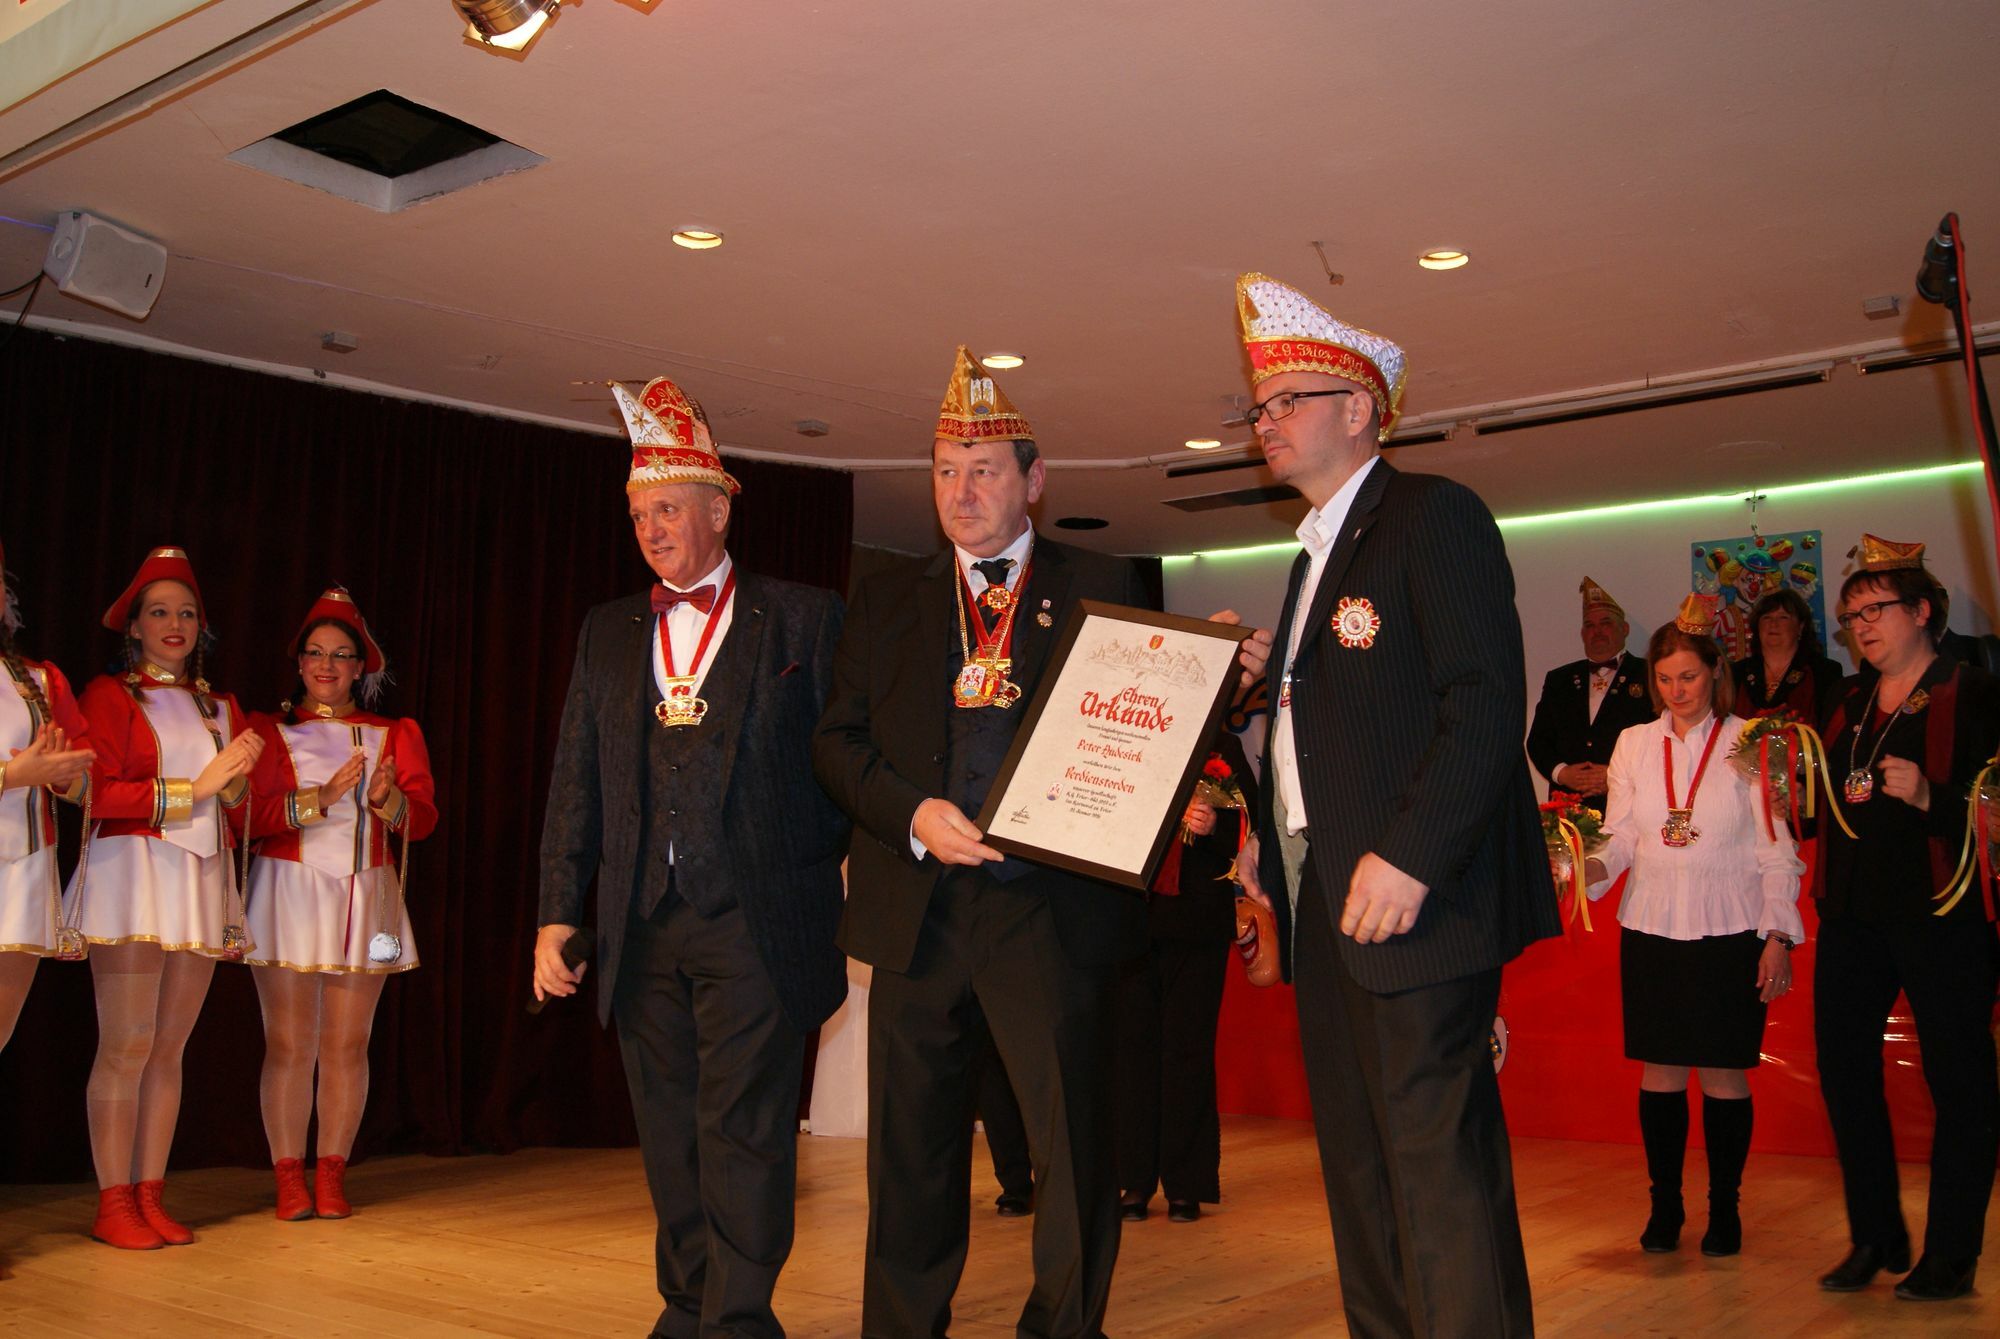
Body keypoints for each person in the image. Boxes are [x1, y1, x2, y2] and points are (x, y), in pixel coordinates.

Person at [812, 346, 1249, 1339]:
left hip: (1048, 913)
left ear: (1033, 479)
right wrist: (911, 814)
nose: (960, 492)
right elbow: (835, 744)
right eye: (943, 471)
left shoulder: (1102, 587)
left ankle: (1064, 1326)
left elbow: (1147, 740)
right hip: (918, 911)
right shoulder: (885, 600)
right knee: (910, 1153)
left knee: (1071, 1145)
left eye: (982, 470)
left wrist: (1213, 676)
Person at [1230, 273, 1558, 1338]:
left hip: (1418, 899)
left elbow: (1484, 701)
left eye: (1288, 400)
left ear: (1360, 409)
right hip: (1326, 897)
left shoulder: (1431, 515)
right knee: (1360, 1168)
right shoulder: (1312, 557)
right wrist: (1268, 825)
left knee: (1436, 1172)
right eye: (1259, 406)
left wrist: (1411, 854)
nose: (1265, 421)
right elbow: (1330, 728)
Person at [534, 376, 848, 1339]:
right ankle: (687, 1305)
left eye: (668, 509)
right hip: (640, 918)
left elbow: (845, 759)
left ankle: (740, 1316)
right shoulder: (609, 629)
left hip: (755, 916)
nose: (651, 529)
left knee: (743, 1124)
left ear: (719, 510)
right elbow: (576, 777)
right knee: (668, 1125)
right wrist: (557, 911)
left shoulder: (803, 618)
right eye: (639, 514)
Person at [1584, 592, 1804, 1258]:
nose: (1676, 691)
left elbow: (1776, 847)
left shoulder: (1752, 741)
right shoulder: (1633, 743)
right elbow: (1621, 836)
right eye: (1664, 679)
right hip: (1652, 926)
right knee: (1660, 1073)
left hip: (1730, 929)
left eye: (1688, 676)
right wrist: (1583, 867)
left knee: (1724, 1076)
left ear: (1714, 673)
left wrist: (1777, 935)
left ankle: (1725, 1208)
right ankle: (1665, 1205)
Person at [1812, 534, 2000, 1302]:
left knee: (1960, 1081)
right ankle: (1877, 1235)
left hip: (1941, 913)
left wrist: (1932, 797)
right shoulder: (1847, 702)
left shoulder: (1972, 690)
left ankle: (1952, 1255)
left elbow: (1995, 811)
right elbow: (1828, 804)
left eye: (1875, 609)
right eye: (1851, 614)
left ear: (1922, 611)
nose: (1860, 625)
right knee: (1843, 1073)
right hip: (1852, 915)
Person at [67, 546, 264, 1249]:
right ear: (134, 626)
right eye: (159, 612)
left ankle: (149, 1192)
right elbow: (96, 793)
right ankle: (112, 1200)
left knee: (169, 1048)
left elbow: (241, 813)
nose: (174, 624)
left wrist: (236, 786)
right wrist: (200, 786)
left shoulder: (220, 705)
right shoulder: (109, 695)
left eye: (185, 613)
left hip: (199, 879)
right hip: (134, 875)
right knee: (127, 1043)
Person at [245, 588, 437, 1221]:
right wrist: (320, 798)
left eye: (340, 655)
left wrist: (386, 800)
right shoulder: (269, 731)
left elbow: (422, 820)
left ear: (361, 667)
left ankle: (330, 1173)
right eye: (315, 653)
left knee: (349, 1044)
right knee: (288, 1044)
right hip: (287, 888)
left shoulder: (395, 733)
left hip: (367, 890)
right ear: (299, 662)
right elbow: (249, 818)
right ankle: (288, 1177)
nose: (326, 665)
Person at [1113, 728, 1255, 1224]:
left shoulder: (1221, 744)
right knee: (1131, 1050)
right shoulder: (1123, 731)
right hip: (1131, 917)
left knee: (1187, 1050)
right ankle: (1133, 1180)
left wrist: (1215, 824)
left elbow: (1252, 826)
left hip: (1197, 920)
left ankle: (1185, 1185)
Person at [0, 540, 95, 1050]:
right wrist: (13, 774)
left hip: (23, 867)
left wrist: (63, 776)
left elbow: (89, 780)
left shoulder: (40, 679)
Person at [1526, 577, 1654, 813]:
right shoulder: (1559, 680)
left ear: (1624, 629)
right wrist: (1562, 773)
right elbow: (1538, 741)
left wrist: (1616, 775)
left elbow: (1660, 742)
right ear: (1582, 633)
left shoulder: (1650, 675)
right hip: (1568, 810)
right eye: (1590, 625)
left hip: (1629, 806)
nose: (1597, 631)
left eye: (1606, 623)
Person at [1730, 587, 1844, 726]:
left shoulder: (1824, 671)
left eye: (1783, 617)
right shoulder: (1737, 672)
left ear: (1800, 626)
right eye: (1766, 617)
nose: (1773, 624)